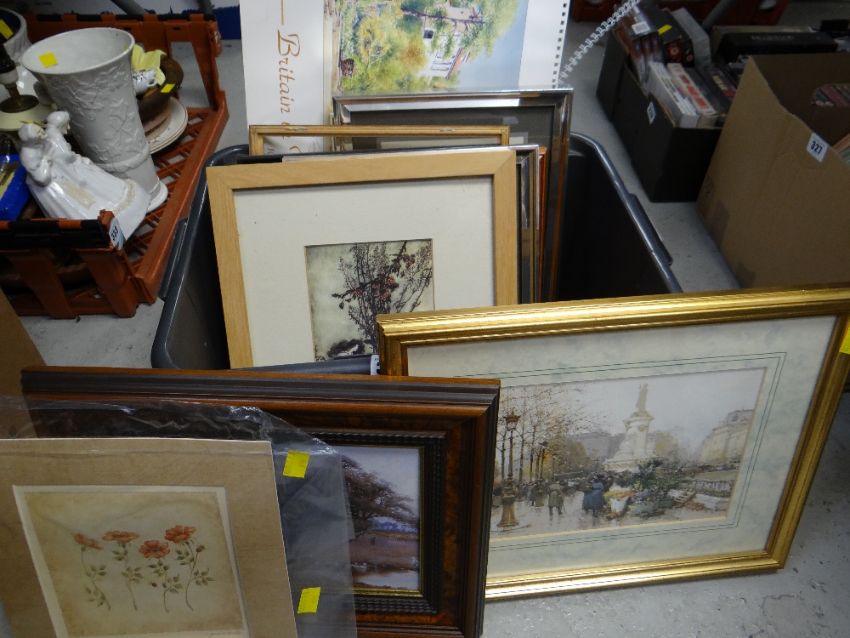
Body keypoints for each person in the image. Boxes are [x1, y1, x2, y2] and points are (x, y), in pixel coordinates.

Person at [18, 111, 149, 236]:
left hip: (64, 172)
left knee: (97, 189)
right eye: (39, 133)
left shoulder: (44, 141)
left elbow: (61, 155)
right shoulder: (30, 153)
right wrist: (48, 161)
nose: (42, 134)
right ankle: (103, 227)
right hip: (54, 185)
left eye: (41, 131)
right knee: (80, 202)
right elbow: (42, 177)